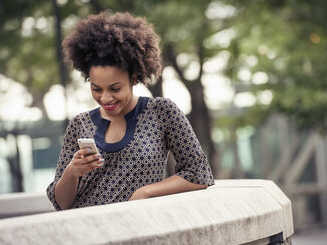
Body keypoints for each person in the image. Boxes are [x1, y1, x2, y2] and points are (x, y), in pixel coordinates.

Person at [46, 12, 215, 210]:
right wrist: (72, 172)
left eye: (115, 88)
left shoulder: (162, 112)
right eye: (96, 89)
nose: (105, 98)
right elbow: (61, 204)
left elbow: (199, 174)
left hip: (135, 229)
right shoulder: (79, 124)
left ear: (134, 78)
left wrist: (146, 191)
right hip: (84, 231)